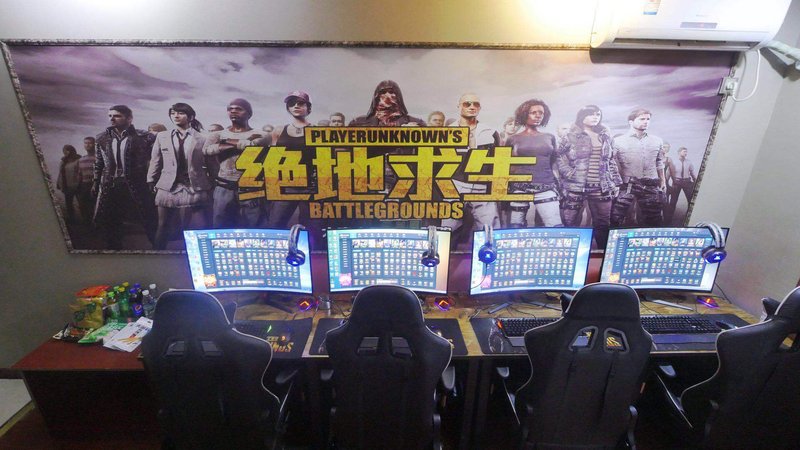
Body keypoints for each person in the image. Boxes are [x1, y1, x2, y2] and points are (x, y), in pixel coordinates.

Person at [147, 103, 213, 250]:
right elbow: (156, 160)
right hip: (168, 184)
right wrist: (151, 179)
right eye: (173, 113)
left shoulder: (202, 137)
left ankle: (196, 256)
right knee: (163, 225)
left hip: (195, 185)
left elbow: (210, 162)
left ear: (191, 117)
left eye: (180, 113)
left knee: (198, 227)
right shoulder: (162, 136)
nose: (176, 116)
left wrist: (213, 182)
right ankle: (157, 256)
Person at [557, 105, 621, 248]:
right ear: (582, 116)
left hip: (601, 187)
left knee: (603, 223)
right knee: (570, 223)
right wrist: (568, 172)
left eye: (598, 114)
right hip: (576, 186)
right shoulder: (570, 136)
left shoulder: (605, 137)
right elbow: (558, 156)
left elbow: (610, 160)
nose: (595, 117)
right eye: (591, 114)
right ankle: (570, 254)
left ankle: (602, 254)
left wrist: (615, 182)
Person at [93, 105, 157, 249]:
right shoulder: (102, 138)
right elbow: (99, 163)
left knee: (148, 217)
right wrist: (96, 182)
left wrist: (154, 181)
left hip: (138, 183)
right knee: (111, 221)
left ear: (129, 118)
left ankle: (158, 248)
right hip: (112, 184)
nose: (112, 119)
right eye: (110, 116)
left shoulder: (145, 137)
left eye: (117, 116)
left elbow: (156, 161)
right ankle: (114, 250)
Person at [441, 93, 501, 247]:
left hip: (482, 186)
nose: (472, 107)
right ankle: (444, 260)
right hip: (455, 185)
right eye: (467, 104)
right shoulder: (447, 131)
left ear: (480, 108)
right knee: (448, 229)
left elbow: (498, 161)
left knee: (489, 230)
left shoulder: (490, 131)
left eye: (476, 104)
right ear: (459, 106)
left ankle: (487, 261)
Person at [203, 98, 270, 228]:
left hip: (251, 187)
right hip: (224, 185)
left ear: (249, 113)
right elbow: (207, 150)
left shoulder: (261, 134)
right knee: (221, 226)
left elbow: (253, 144)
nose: (233, 111)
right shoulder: (217, 134)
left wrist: (224, 143)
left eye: (238, 109)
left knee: (254, 225)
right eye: (230, 109)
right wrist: (240, 144)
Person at [506, 99, 563, 228]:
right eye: (533, 112)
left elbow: (554, 163)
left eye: (541, 113)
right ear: (524, 114)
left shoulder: (549, 137)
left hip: (546, 185)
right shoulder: (513, 139)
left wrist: (558, 184)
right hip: (519, 187)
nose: (538, 116)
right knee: (515, 227)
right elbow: (507, 165)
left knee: (555, 227)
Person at [611, 108, 666, 227]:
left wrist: (663, 180)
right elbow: (610, 164)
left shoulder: (657, 141)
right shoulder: (617, 141)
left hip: (650, 184)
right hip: (627, 185)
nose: (646, 122)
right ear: (631, 121)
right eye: (642, 119)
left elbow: (659, 162)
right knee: (615, 218)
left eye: (648, 119)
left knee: (654, 220)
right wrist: (615, 184)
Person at [267, 91, 314, 228]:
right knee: (275, 224)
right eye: (292, 104)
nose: (296, 106)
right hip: (286, 186)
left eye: (300, 103)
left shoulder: (316, 130)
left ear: (308, 107)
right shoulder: (279, 130)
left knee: (310, 227)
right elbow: (273, 159)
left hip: (310, 186)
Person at [349, 80, 425, 127]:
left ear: (398, 96)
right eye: (383, 92)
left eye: (391, 92)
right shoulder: (358, 123)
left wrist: (415, 133)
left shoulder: (417, 123)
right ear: (377, 96)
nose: (388, 96)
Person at [664, 146, 697, 224]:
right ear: (679, 152)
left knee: (691, 201)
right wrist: (666, 184)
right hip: (677, 183)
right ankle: (668, 221)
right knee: (673, 202)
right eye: (684, 151)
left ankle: (691, 220)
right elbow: (668, 173)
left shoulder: (689, 162)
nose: (686, 153)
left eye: (686, 151)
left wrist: (696, 182)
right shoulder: (674, 162)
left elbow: (692, 173)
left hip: (687, 182)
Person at [56, 144, 81, 223]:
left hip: (77, 185)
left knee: (81, 203)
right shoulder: (63, 161)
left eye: (67, 150)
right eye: (64, 150)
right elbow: (61, 173)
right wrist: (58, 183)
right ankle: (72, 219)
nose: (65, 152)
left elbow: (81, 173)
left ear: (71, 150)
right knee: (69, 204)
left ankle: (85, 219)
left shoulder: (78, 160)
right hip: (67, 186)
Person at [76, 137, 97, 224]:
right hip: (84, 185)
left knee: (95, 206)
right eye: (85, 143)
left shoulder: (98, 158)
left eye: (90, 143)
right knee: (83, 205)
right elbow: (79, 175)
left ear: (94, 144)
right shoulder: (81, 160)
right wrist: (78, 187)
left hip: (96, 185)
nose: (87, 145)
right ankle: (87, 224)